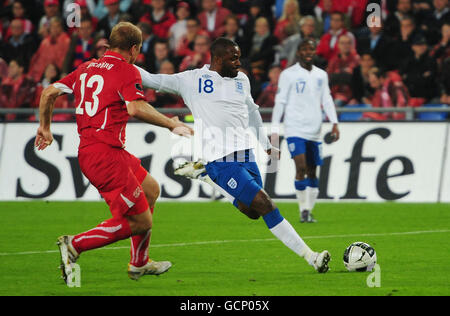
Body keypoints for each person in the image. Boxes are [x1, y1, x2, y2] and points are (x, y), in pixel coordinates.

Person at [136, 37, 331, 273]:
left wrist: (266, 145)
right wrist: (117, 60)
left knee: (252, 212)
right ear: (218, 59)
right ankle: (312, 257)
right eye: (234, 57)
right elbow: (151, 79)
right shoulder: (191, 80)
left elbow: (252, 113)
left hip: (246, 155)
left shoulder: (242, 80)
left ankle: (206, 176)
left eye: (239, 56)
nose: (239, 62)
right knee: (265, 204)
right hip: (220, 159)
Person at [34, 22, 193, 284]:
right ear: (134, 48)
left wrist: (45, 128)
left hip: (102, 150)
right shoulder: (126, 70)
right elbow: (136, 108)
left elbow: (49, 92)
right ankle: (74, 245)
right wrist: (172, 123)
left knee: (151, 190)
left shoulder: (86, 67)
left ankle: (139, 263)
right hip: (103, 156)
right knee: (142, 222)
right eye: (138, 50)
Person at [271, 39, 340, 223]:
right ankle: (302, 210)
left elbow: (326, 99)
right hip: (294, 128)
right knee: (300, 167)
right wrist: (275, 128)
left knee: (312, 171)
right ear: (299, 52)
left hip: (315, 130)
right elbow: (280, 102)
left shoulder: (321, 75)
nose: (308, 52)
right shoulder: (288, 74)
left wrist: (334, 122)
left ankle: (308, 210)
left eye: (311, 49)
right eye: (304, 49)